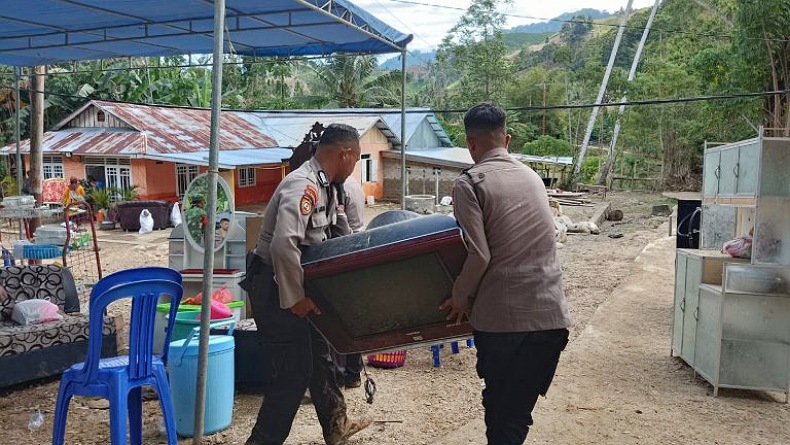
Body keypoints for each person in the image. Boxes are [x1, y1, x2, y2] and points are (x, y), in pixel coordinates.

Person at [440, 102, 573, 445]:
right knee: (514, 416)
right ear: (507, 138)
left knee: (501, 415)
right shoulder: (532, 177)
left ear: (470, 144)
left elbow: (479, 254)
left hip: (504, 325)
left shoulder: (470, 183)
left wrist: (458, 297)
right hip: (551, 319)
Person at [242, 123, 370, 445]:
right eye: (356, 159)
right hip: (275, 288)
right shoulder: (304, 185)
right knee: (292, 374)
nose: (355, 166)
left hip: (295, 284)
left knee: (320, 356)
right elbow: (283, 246)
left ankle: (336, 425)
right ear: (345, 154)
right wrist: (296, 299)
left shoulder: (328, 186)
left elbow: (340, 235)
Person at [331, 176, 365, 388]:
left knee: (337, 318)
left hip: (344, 250)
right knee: (352, 317)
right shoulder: (354, 184)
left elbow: (339, 228)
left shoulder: (338, 188)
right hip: (358, 247)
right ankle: (353, 374)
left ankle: (343, 373)